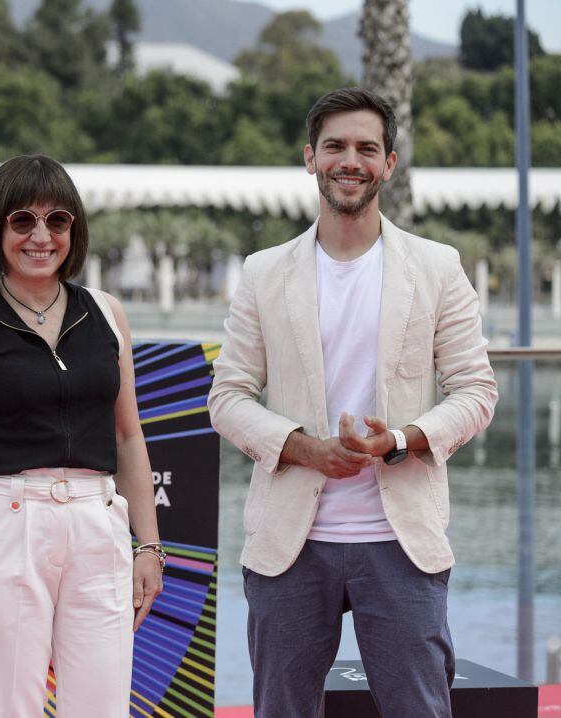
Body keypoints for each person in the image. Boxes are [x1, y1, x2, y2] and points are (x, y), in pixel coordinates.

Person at [209, 87, 498, 717]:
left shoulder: (437, 267)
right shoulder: (263, 273)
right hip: (290, 542)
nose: (351, 160)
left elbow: (476, 390)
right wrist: (304, 448)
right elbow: (227, 397)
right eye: (335, 146)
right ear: (309, 157)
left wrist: (397, 440)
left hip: (402, 542)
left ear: (389, 163)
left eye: (368, 148)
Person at [0, 154, 164, 717]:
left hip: (97, 522)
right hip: (0, 524)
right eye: (22, 221)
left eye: (57, 220)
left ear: (73, 230)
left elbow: (128, 437)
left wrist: (149, 545)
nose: (41, 235)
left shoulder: (107, 313)